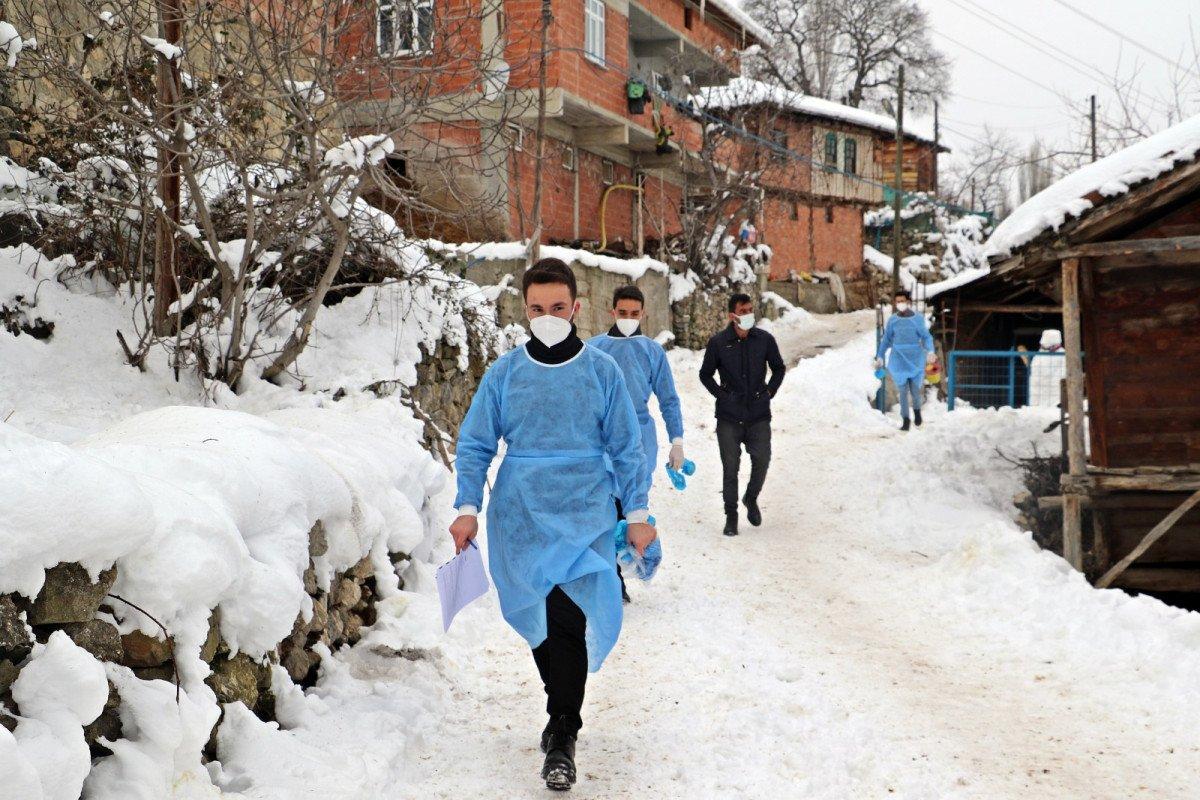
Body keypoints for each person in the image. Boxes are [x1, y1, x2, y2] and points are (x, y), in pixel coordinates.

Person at [448, 258, 657, 791]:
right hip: (519, 515)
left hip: (586, 510)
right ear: (525, 309)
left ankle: (564, 728)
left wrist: (636, 513)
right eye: (537, 308)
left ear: (576, 308)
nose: (547, 316)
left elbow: (627, 448)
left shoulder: (601, 371)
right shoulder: (505, 373)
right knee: (539, 616)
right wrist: (467, 506)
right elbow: (475, 443)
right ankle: (560, 705)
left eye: (557, 307)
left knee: (569, 615)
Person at [590, 285, 685, 602]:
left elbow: (668, 399)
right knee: (605, 508)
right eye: (622, 313)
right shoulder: (594, 350)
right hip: (602, 441)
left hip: (640, 439)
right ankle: (612, 578)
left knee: (632, 507)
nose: (628, 318)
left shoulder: (652, 352)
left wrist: (677, 441)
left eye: (634, 313)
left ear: (643, 314)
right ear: (611, 311)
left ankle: (630, 562)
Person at [699, 293, 786, 537]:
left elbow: (779, 368)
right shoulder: (718, 343)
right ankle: (731, 515)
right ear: (732, 315)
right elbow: (705, 374)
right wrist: (722, 395)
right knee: (730, 467)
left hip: (758, 414)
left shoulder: (764, 340)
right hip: (729, 417)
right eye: (743, 310)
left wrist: (769, 391)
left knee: (762, 460)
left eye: (750, 309)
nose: (749, 314)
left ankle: (751, 497)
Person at [875, 289, 935, 431]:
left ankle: (917, 412)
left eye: (902, 301)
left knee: (915, 391)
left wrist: (931, 350)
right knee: (902, 392)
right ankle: (906, 420)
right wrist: (880, 355)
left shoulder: (918, 319)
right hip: (898, 359)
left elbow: (926, 337)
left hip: (915, 358)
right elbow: (886, 340)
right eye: (897, 301)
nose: (899, 304)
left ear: (908, 302)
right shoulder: (893, 320)